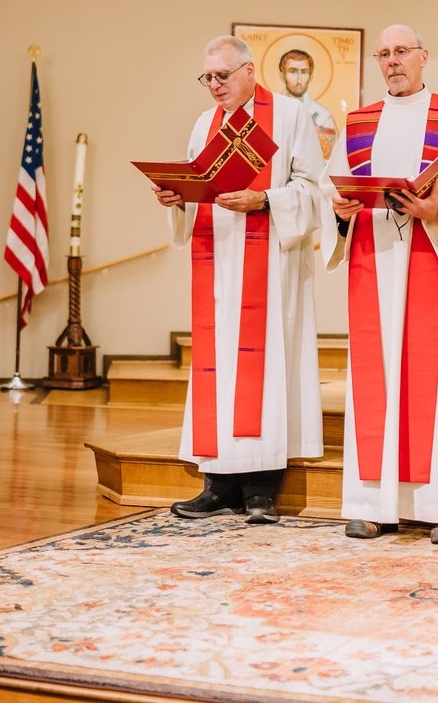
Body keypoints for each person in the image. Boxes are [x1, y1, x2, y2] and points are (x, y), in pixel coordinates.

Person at [320, 25, 438, 545]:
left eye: (402, 52)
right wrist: (342, 210)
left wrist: (436, 210)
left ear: (423, 57)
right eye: (384, 54)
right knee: (375, 383)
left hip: (431, 262)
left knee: (435, 380)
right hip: (373, 263)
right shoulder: (356, 125)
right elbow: (335, 191)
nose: (392, 61)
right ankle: (374, 505)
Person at [155, 35, 324, 523]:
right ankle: (217, 485)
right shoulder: (204, 124)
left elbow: (314, 189)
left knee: (263, 368)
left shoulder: (291, 117)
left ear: (250, 71)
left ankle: (261, 490)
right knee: (217, 371)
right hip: (217, 265)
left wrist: (266, 200)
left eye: (222, 76)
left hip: (270, 264)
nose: (214, 85)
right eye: (207, 77)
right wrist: (177, 198)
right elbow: (195, 184)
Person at [278, 48, 338, 159]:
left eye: (304, 72)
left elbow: (331, 160)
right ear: (283, 76)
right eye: (293, 71)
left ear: (310, 76)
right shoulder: (273, 110)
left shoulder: (324, 116)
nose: (299, 79)